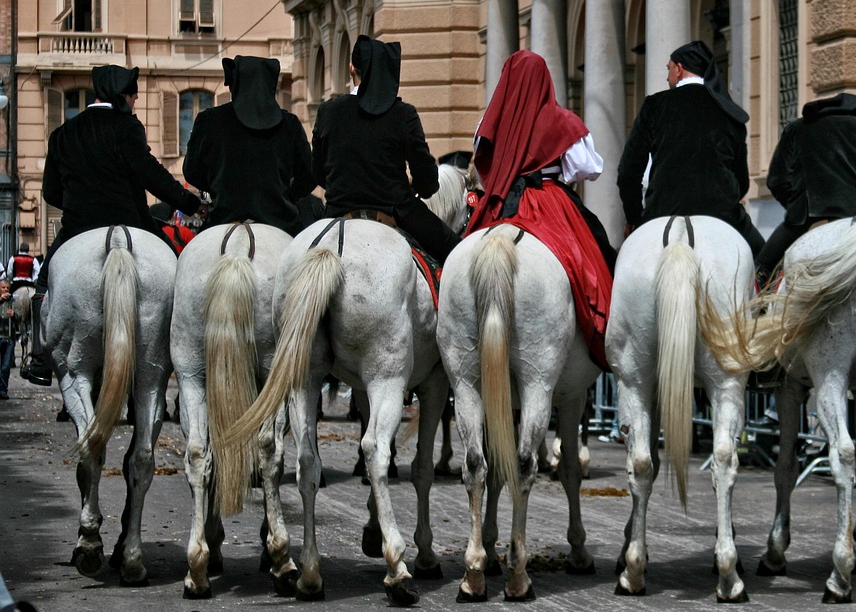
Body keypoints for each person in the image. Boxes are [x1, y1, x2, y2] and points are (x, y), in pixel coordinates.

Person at [24, 65, 205, 384]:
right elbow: (151, 174)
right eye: (134, 96)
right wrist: (190, 203)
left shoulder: (62, 134)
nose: (135, 101)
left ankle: (40, 358)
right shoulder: (127, 126)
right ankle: (182, 346)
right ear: (123, 96)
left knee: (44, 282)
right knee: (175, 272)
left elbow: (51, 191)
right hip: (131, 223)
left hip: (78, 227)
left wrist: (78, 205)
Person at [468, 50, 613, 367]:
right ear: (545, 79)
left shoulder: (488, 123)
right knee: (596, 258)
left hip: (502, 200)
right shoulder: (563, 121)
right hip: (549, 199)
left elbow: (481, 169)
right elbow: (588, 169)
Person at [311, 35, 459, 262]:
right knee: (456, 253)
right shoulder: (403, 113)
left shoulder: (328, 111)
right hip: (396, 212)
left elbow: (318, 172)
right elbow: (425, 174)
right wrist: (422, 188)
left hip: (337, 212)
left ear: (352, 68)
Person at [617, 40, 764, 255]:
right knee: (766, 259)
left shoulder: (654, 105)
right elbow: (740, 178)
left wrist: (634, 217)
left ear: (679, 68)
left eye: (668, 69)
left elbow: (628, 173)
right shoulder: (729, 111)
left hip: (662, 211)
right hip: (721, 212)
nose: (667, 77)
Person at [757, 92, 856, 278]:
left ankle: (761, 306)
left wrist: (797, 204)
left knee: (763, 266)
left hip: (806, 215)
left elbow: (777, 181)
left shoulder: (796, 129)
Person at [183, 55, 316, 234]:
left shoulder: (209, 120)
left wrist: (218, 185)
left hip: (223, 220)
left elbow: (191, 171)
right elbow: (308, 175)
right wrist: (289, 194)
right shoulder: (290, 124)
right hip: (280, 223)